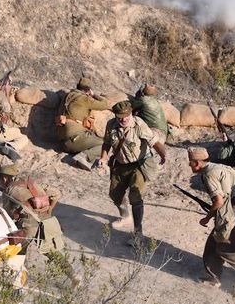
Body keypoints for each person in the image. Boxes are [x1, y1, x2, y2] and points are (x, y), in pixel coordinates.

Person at [187, 146, 235, 288]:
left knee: (225, 245)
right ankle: (213, 277)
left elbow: (218, 201)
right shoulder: (219, 167)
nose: (189, 164)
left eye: (190, 162)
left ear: (197, 163)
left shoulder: (209, 174)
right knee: (214, 241)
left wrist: (207, 218)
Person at [100, 101, 167, 241]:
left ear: (131, 114)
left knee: (136, 196)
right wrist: (103, 159)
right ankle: (125, 216)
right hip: (120, 164)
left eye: (126, 116)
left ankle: (138, 233)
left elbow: (154, 142)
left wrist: (163, 155)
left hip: (138, 164)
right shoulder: (111, 125)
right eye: (120, 117)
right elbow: (106, 143)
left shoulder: (139, 125)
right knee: (115, 194)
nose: (123, 119)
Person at [0, 163, 65, 258]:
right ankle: (68, 271)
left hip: (29, 226)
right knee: (52, 253)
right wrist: (49, 209)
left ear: (4, 178)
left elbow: (7, 216)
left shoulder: (9, 190)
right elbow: (56, 194)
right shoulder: (31, 183)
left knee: (15, 252)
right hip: (47, 222)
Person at [57, 77, 109, 170]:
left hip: (62, 142)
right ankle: (84, 157)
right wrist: (94, 95)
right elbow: (105, 104)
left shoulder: (67, 96)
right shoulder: (84, 99)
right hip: (74, 140)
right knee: (105, 144)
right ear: (88, 90)